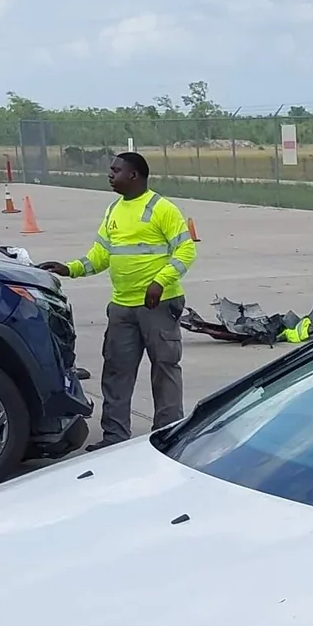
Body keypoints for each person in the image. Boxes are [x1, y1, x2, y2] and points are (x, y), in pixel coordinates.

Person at [40, 152, 196, 448]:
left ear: (134, 175)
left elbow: (186, 251)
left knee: (164, 369)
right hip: (122, 307)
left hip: (158, 305)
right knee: (116, 372)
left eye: (116, 170)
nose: (110, 175)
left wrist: (160, 282)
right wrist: (69, 269)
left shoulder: (161, 208)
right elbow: (101, 255)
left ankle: (168, 434)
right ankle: (114, 437)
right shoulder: (113, 210)